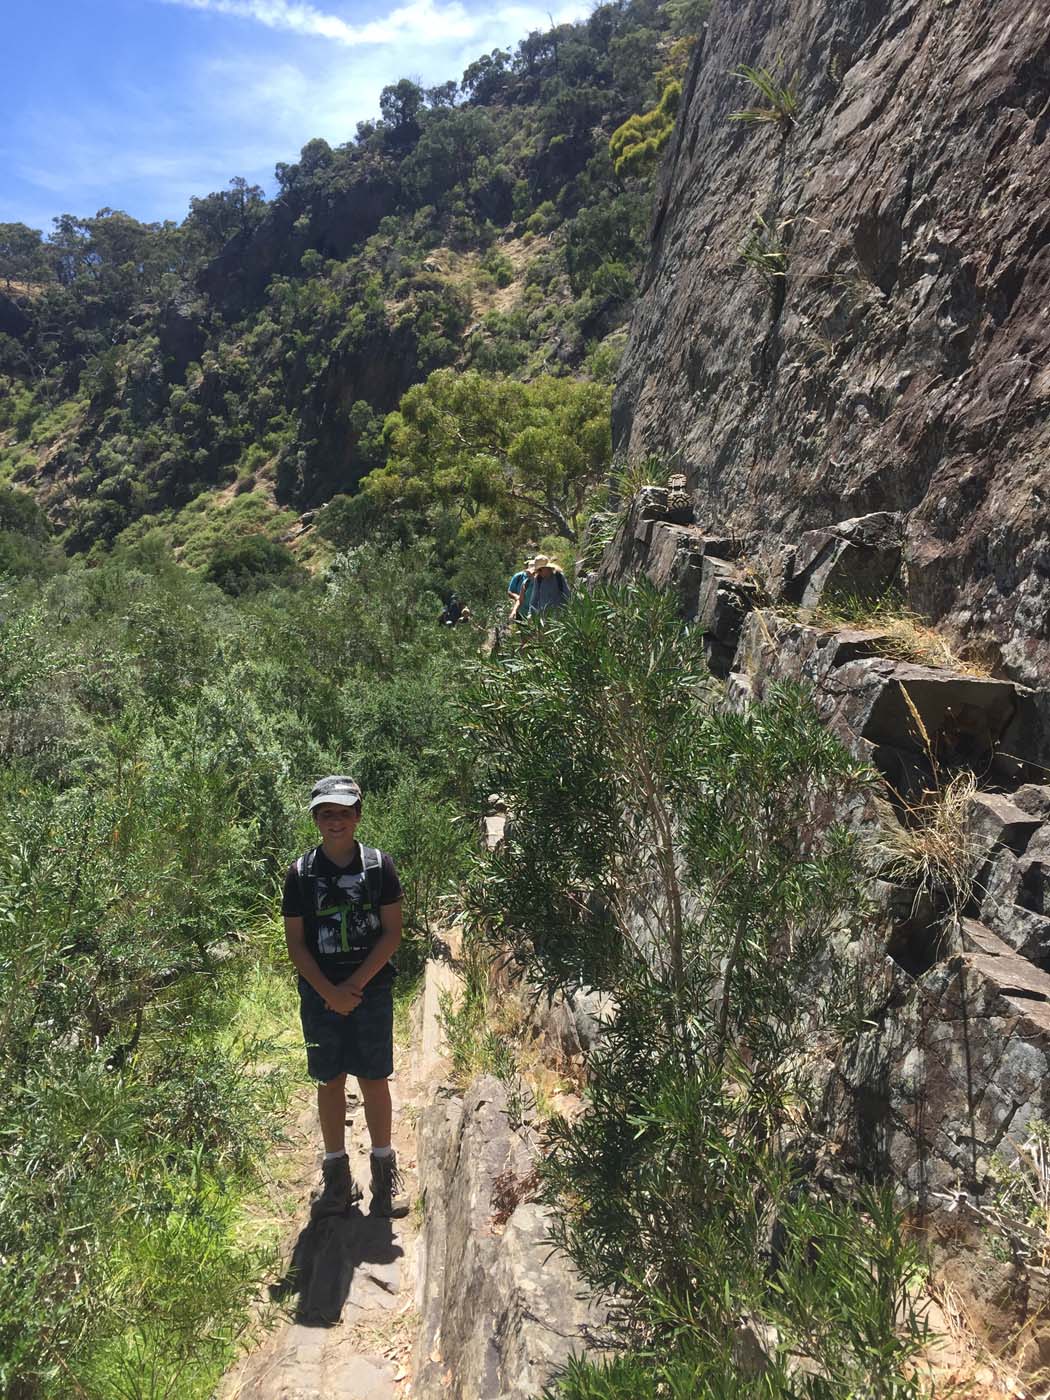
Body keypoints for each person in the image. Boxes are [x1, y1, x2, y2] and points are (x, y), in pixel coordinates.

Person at [282, 775, 409, 1219]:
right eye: (325, 813)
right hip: (320, 994)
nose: (334, 821)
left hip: (370, 992)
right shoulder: (300, 874)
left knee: (374, 1080)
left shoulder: (378, 866)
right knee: (330, 1080)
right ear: (316, 819)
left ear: (357, 815)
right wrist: (329, 992)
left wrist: (352, 987)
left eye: (342, 812)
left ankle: (383, 1176)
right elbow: (296, 944)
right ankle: (337, 1179)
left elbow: (391, 933)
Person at [519, 554, 570, 619]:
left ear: (547, 568)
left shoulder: (558, 577)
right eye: (537, 570)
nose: (539, 572)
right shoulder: (538, 579)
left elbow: (567, 595)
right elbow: (534, 598)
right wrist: (530, 614)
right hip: (544, 619)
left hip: (560, 618)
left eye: (540, 570)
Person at [507, 558, 534, 623]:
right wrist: (516, 597)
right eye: (527, 564)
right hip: (521, 612)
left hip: (535, 615)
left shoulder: (542, 582)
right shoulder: (520, 578)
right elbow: (510, 592)